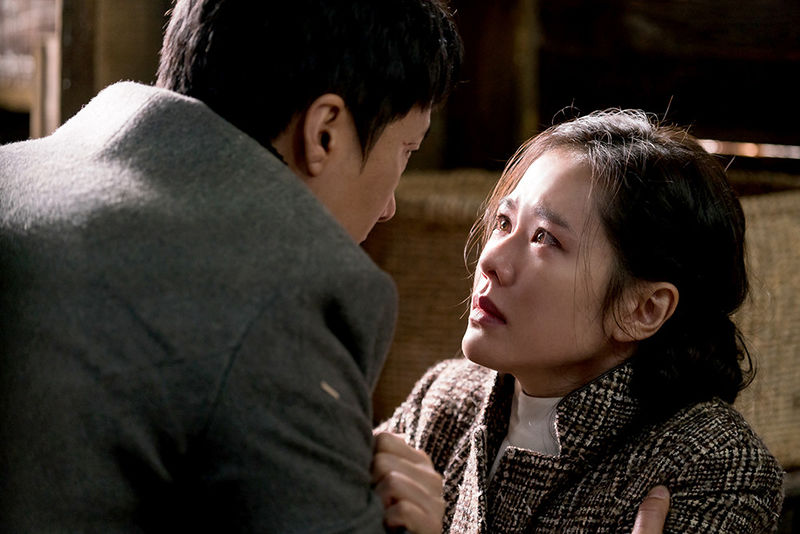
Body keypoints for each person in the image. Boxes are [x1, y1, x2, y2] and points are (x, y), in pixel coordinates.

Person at [0, 1, 461, 532]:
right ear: (325, 133)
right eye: (406, 151)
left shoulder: (15, 173)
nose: (389, 208)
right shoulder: (284, 289)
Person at [378, 109, 785, 532]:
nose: (492, 260)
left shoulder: (715, 469)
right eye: (503, 222)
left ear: (643, 309)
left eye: (545, 238)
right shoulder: (445, 400)